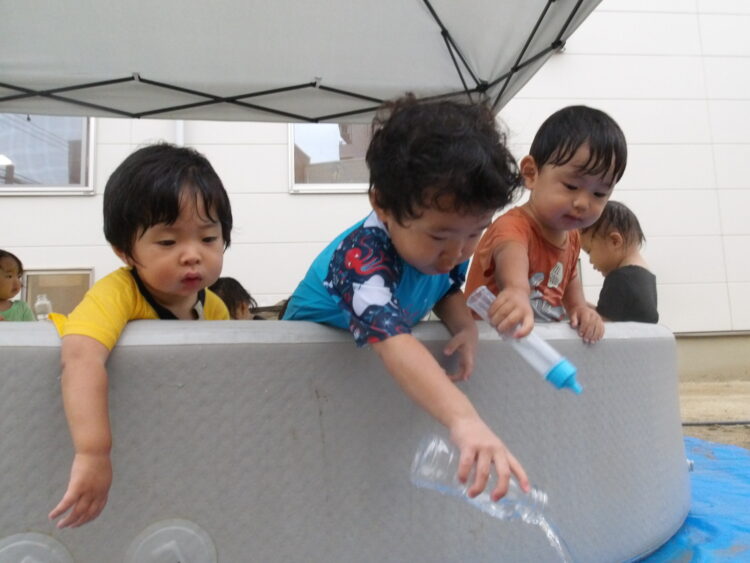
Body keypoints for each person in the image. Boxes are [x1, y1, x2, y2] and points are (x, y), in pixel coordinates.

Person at [283, 94, 530, 501]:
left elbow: (445, 286)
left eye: (476, 232)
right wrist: (464, 419)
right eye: (439, 236)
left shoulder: (444, 249)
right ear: (382, 204)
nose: (457, 252)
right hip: (297, 376)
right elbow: (394, 341)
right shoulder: (361, 256)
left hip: (360, 377)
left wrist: (465, 326)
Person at [48, 143, 233, 528]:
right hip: (108, 449)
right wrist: (93, 453)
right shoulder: (118, 294)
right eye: (167, 242)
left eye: (208, 238)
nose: (192, 254)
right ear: (125, 252)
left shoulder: (213, 307)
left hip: (166, 445)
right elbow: (80, 358)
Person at [465, 105, 628, 344]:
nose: (583, 203)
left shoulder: (572, 236)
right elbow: (511, 257)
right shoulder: (513, 227)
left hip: (536, 342)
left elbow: (569, 277)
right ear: (531, 173)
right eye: (571, 186)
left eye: (599, 194)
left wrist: (579, 308)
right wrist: (516, 291)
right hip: (490, 344)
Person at [580, 200, 658, 323]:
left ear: (614, 241)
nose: (590, 261)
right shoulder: (646, 277)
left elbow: (603, 324)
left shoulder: (620, 279)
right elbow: (610, 317)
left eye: (589, 251)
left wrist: (569, 305)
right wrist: (578, 304)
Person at [0, 249, 35, 321]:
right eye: (9, 276)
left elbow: (32, 328)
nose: (18, 282)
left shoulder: (22, 308)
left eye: (18, 277)